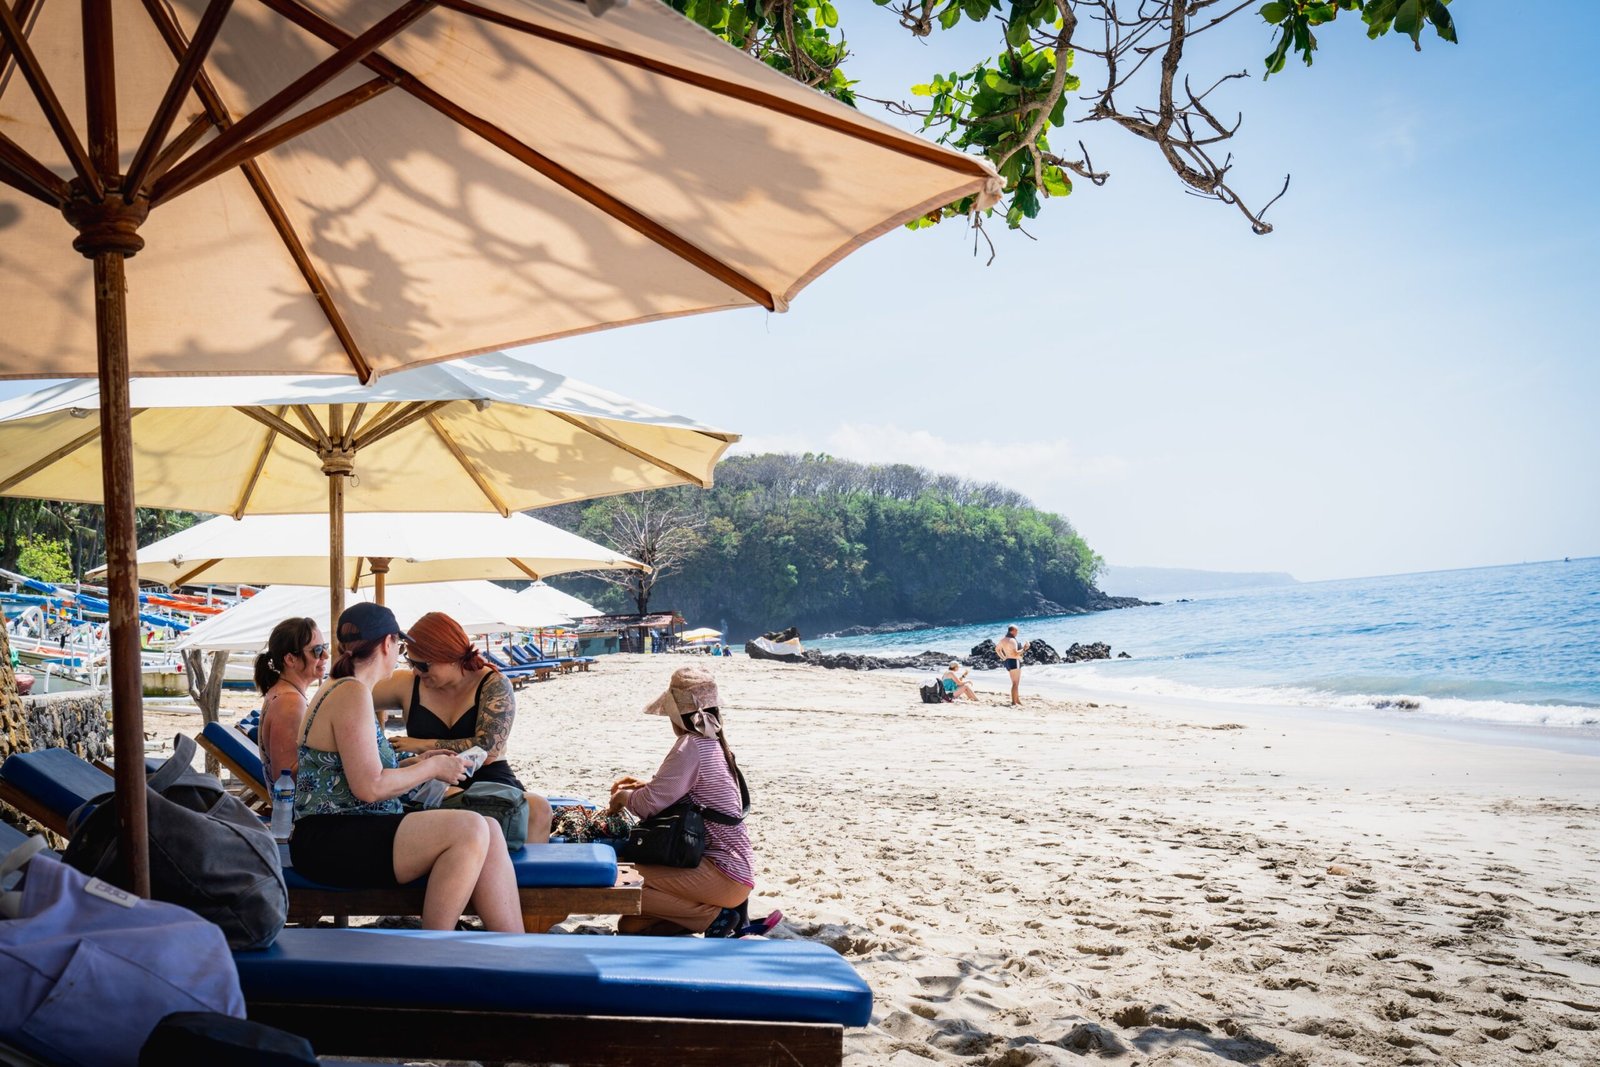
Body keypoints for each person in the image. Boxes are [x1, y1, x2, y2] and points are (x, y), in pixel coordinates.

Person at [290, 602, 522, 932]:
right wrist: (433, 768)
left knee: (491, 829)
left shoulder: (343, 687)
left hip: (348, 831)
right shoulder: (351, 692)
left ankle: (514, 947)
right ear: (388, 643)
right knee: (469, 828)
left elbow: (357, 769)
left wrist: (414, 762)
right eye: (401, 648)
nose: (403, 657)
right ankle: (433, 952)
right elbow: (368, 787)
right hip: (331, 840)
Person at [371, 611, 553, 843]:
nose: (416, 671)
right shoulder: (407, 683)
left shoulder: (493, 684)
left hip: (487, 775)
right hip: (431, 778)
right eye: (410, 662)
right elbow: (351, 692)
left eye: (423, 665)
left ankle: (527, 877)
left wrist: (420, 744)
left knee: (538, 810)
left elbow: (487, 749)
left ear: (451, 656)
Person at [607, 666, 754, 936]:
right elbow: (689, 792)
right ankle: (712, 917)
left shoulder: (690, 745)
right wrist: (644, 786)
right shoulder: (716, 744)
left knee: (613, 877)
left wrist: (622, 798)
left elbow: (648, 804)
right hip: (735, 871)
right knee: (631, 925)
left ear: (676, 715)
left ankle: (715, 918)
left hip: (722, 874)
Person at [253, 616, 328, 784]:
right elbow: (284, 777)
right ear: (290, 659)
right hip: (296, 810)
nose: (326, 655)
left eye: (324, 647)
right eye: (317, 651)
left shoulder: (284, 693)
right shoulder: (289, 703)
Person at [996, 624, 1024, 706]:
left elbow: (997, 649)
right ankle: (1014, 702)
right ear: (1012, 631)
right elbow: (1015, 653)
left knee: (1014, 683)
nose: (1017, 632)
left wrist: (1003, 658)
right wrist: (1025, 648)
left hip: (1008, 661)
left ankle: (1017, 700)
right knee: (1015, 683)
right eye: (1016, 631)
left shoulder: (1003, 640)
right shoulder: (1012, 640)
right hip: (1014, 661)